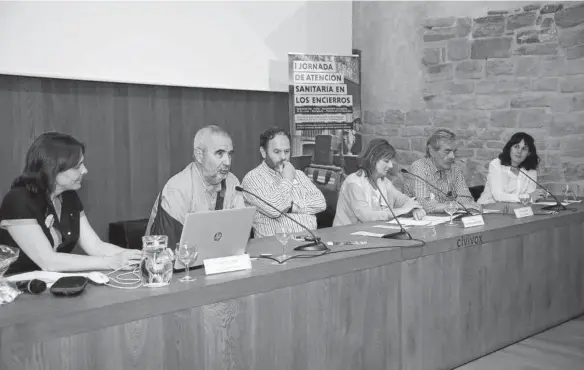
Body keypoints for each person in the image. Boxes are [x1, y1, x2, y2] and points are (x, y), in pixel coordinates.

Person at [0, 132, 141, 275]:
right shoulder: (18, 200)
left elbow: (95, 246)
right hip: (14, 288)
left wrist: (143, 256)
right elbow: (49, 262)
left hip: (50, 284)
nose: (85, 171)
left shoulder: (68, 196)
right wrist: (111, 262)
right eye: (77, 167)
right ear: (53, 168)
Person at [146, 125, 245, 249]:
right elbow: (167, 251)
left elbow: (238, 233)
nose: (228, 162)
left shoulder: (232, 182)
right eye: (220, 153)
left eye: (229, 154)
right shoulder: (178, 189)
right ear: (199, 155)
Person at [241, 127, 326, 238]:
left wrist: (292, 208)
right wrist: (287, 180)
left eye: (287, 151)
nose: (283, 157)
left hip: (310, 241)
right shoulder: (253, 178)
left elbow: (320, 203)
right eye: (277, 152)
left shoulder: (299, 174)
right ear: (263, 152)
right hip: (275, 247)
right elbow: (275, 209)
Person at [334, 139, 425, 226]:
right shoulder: (354, 183)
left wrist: (414, 208)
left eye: (391, 161)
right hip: (347, 237)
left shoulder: (383, 181)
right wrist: (402, 210)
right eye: (386, 161)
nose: (391, 165)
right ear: (372, 158)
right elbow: (366, 216)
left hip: (372, 234)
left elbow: (400, 199)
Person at [404, 129, 481, 213]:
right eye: (447, 151)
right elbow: (424, 205)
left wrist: (454, 206)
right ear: (432, 151)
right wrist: (457, 206)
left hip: (449, 219)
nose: (452, 156)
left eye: (454, 151)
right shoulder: (418, 168)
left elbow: (466, 198)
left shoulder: (454, 168)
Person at [478, 132, 543, 205]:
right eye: (516, 147)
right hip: (488, 209)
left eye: (524, 149)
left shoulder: (531, 169)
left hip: (515, 211)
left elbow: (532, 196)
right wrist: (527, 198)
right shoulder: (496, 164)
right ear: (510, 148)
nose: (519, 152)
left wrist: (530, 197)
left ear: (528, 153)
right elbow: (498, 196)